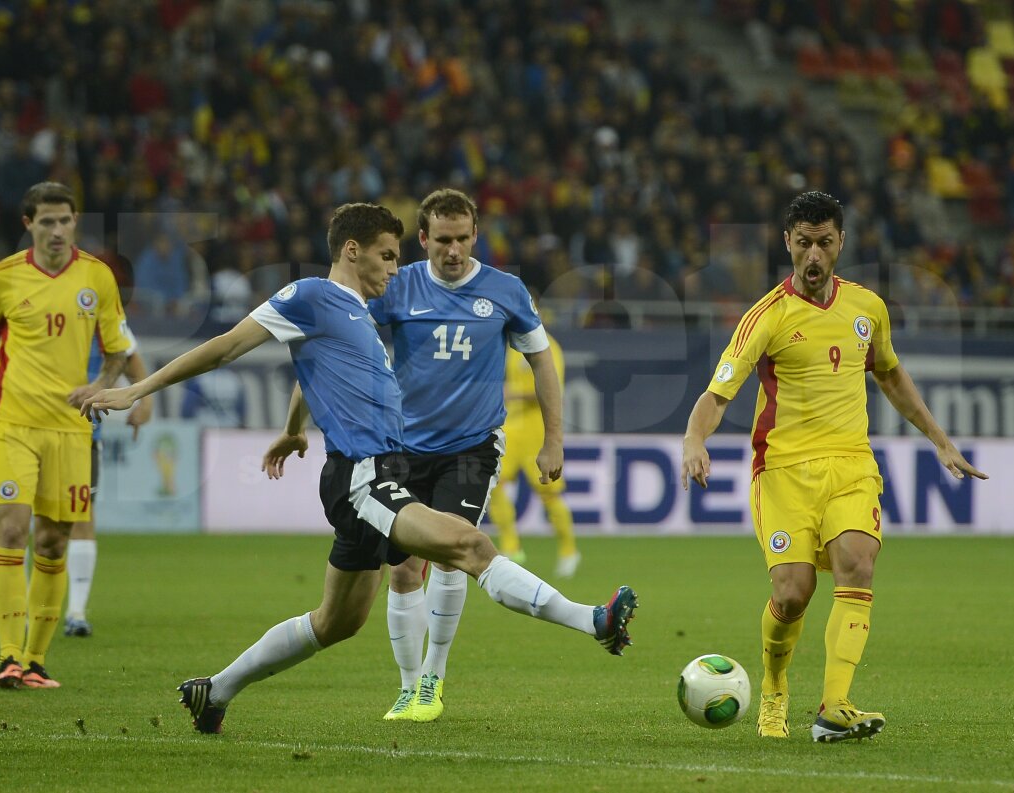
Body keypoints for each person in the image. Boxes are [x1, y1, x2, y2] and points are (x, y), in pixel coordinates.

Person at [80, 203, 637, 735]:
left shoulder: (358, 315)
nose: (396, 270)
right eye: (389, 256)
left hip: (381, 472)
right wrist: (139, 388)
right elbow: (225, 348)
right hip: (362, 478)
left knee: (335, 623)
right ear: (353, 251)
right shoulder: (311, 295)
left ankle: (216, 690)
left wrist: (295, 425)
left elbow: (316, 366)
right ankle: (594, 621)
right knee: (468, 547)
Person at [680, 191, 987, 743]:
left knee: (857, 561)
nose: (814, 255)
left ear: (841, 242)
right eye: (804, 244)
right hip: (783, 471)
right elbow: (717, 394)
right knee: (793, 593)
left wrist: (941, 441)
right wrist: (693, 441)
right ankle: (775, 687)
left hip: (851, 463)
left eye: (824, 242)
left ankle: (835, 706)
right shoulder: (766, 318)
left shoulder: (867, 308)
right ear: (787, 244)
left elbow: (890, 374)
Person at [359, 188, 568, 723]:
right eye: (442, 240)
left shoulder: (505, 290)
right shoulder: (397, 287)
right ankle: (407, 687)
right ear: (423, 239)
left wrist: (553, 440)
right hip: (402, 446)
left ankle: (433, 678)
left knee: (453, 549)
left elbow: (542, 361)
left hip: (472, 445)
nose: (453, 250)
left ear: (476, 236)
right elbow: (351, 336)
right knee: (405, 570)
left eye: (462, 239)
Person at [0, 181, 134, 689]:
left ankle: (33, 662)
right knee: (12, 530)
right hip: (11, 421)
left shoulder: (97, 277)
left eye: (65, 220)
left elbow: (118, 346)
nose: (57, 230)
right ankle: (7, 655)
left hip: (70, 429)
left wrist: (101, 385)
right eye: (47, 221)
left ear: (75, 222)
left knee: (53, 543)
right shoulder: (3, 276)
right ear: (27, 224)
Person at [63, 340, 153, 638]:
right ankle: (22, 610)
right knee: (27, 519)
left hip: (83, 434)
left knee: (81, 515)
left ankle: (76, 612)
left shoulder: (101, 309)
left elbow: (128, 355)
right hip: (31, 427)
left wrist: (146, 402)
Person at [488, 330, 580, 577]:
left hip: (536, 430)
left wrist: (512, 393)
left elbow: (552, 390)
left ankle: (569, 551)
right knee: (494, 484)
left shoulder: (548, 345)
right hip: (511, 427)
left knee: (549, 493)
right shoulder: (509, 346)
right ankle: (510, 548)